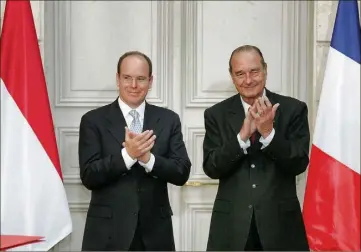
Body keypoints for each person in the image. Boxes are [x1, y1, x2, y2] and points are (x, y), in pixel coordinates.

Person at [78, 51, 191, 251]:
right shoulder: (93, 120)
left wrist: (148, 159)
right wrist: (127, 156)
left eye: (140, 79)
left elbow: (181, 172)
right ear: (117, 79)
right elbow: (89, 176)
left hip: (156, 235)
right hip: (107, 234)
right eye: (127, 78)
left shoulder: (168, 119)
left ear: (150, 81)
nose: (133, 85)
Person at [202, 45, 310, 251]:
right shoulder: (216, 114)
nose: (248, 80)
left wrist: (269, 133)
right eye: (240, 74)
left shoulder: (293, 109)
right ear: (232, 77)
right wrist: (242, 137)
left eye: (254, 71)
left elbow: (299, 163)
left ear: (265, 70)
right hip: (231, 228)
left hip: (280, 228)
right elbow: (212, 167)